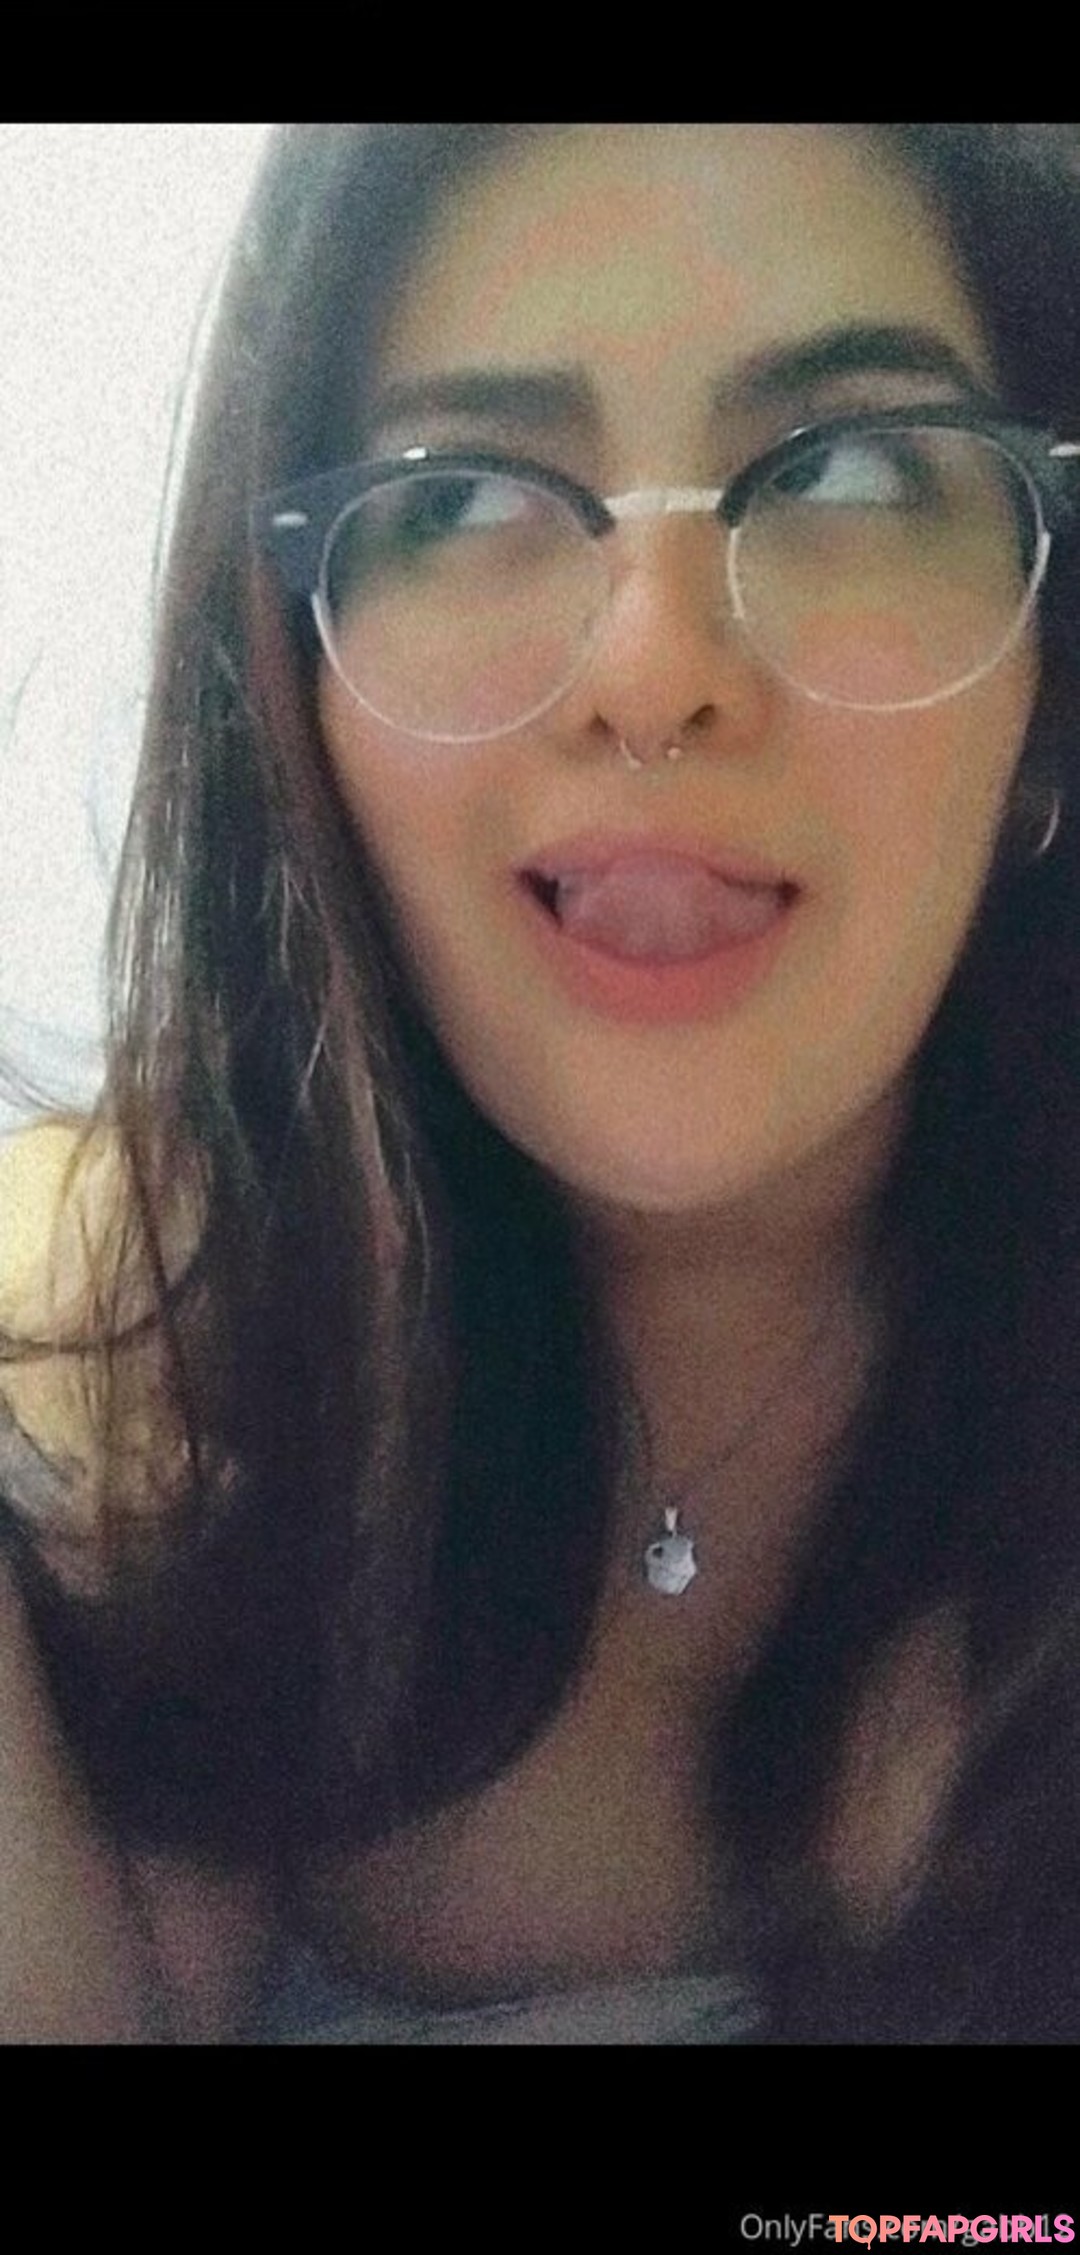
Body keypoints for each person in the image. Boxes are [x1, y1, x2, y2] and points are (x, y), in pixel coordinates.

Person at [2, 121, 1080, 2044]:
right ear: (295, 688)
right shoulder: (113, 1445)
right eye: (464, 493)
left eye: (845, 468)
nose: (653, 669)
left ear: (1049, 689)